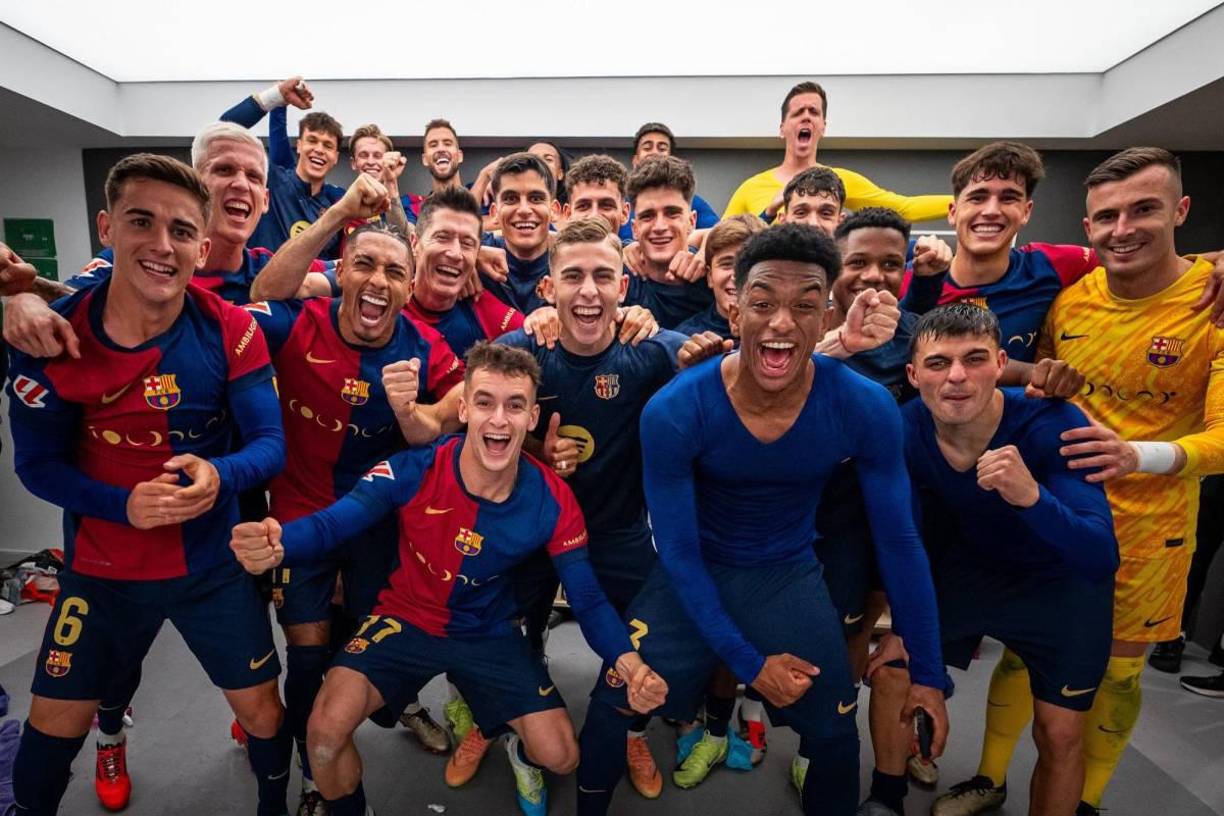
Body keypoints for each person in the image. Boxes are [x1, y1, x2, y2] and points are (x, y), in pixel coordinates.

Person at [574, 223, 948, 816]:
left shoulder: (865, 405)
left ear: (828, 317)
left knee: (832, 732)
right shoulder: (676, 409)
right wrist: (752, 667)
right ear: (734, 307)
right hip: (689, 576)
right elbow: (676, 551)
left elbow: (899, 541)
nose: (781, 323)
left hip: (787, 577)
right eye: (764, 303)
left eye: (805, 306)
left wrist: (929, 670)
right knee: (612, 705)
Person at [229, 342, 669, 816]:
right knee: (323, 734)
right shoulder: (414, 469)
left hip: (486, 632)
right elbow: (333, 523)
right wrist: (279, 541)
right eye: (484, 402)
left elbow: (586, 597)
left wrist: (630, 663)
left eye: (514, 405)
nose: (499, 420)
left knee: (561, 755)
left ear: (532, 418)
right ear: (463, 408)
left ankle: (515, 746)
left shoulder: (554, 500)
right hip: (405, 619)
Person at [940, 147, 1224, 816]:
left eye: (1144, 210)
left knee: (1119, 677)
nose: (1124, 228)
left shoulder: (1211, 306)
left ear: (1181, 211)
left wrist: (1140, 456)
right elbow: (1031, 380)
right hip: (1052, 511)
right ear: (1088, 227)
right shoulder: (1069, 300)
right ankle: (989, 777)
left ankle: (1088, 799)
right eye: (1107, 216)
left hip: (1150, 528)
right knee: (1023, 655)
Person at [6, 154, 289, 815]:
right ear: (108, 227)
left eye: (182, 231)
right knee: (52, 732)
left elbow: (270, 444)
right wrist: (121, 505)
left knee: (265, 716)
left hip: (210, 570)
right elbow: (35, 465)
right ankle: (110, 739)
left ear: (202, 245)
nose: (162, 245)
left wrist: (220, 474)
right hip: (100, 575)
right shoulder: (51, 334)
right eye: (142, 221)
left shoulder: (230, 327)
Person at [245, 191, 468, 811]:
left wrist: (418, 409)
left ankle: (364, 722)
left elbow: (458, 405)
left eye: (395, 272)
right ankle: (317, 780)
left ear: (410, 284)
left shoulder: (424, 346)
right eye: (365, 265)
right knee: (308, 655)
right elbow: (258, 290)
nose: (378, 282)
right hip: (298, 518)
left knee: (371, 643)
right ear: (339, 271)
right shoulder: (298, 321)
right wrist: (339, 216)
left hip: (376, 523)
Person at [895, 304, 1117, 816]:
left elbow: (1099, 555)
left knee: (1059, 732)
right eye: (938, 363)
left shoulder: (1052, 420)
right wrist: (906, 628)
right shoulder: (904, 429)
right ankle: (887, 794)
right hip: (972, 573)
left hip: (1061, 586)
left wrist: (1032, 496)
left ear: (1000, 363)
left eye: (973, 359)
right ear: (913, 375)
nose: (955, 376)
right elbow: (901, 540)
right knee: (891, 667)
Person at [497, 219, 684, 800]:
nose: (588, 291)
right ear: (547, 289)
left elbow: (718, 362)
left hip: (616, 530)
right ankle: (512, 732)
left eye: (603, 276)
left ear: (623, 287)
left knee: (643, 638)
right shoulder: (522, 351)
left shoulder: (648, 352)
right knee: (508, 636)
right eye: (572, 276)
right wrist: (533, 451)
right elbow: (466, 425)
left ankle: (628, 726)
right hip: (530, 533)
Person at [723, 81, 952, 223]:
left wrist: (966, 203)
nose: (806, 116)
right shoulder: (750, 187)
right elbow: (719, 238)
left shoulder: (839, 180)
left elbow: (904, 208)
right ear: (782, 129)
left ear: (823, 127)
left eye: (814, 111)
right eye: (797, 112)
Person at [220, 75, 347, 258]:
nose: (319, 150)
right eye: (312, 141)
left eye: (327, 145)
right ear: (300, 146)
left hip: (308, 287)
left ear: (335, 157)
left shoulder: (337, 206)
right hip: (254, 285)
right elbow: (223, 131)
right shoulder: (271, 178)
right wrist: (275, 96)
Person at [618, 122, 719, 241]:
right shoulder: (619, 202)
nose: (654, 153)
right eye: (647, 148)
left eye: (662, 148)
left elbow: (719, 233)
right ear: (635, 161)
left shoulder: (691, 201)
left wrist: (698, 243)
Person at [674, 215, 766, 340]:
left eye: (749, 265)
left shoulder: (787, 332)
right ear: (710, 276)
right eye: (727, 264)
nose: (736, 276)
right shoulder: (684, 338)